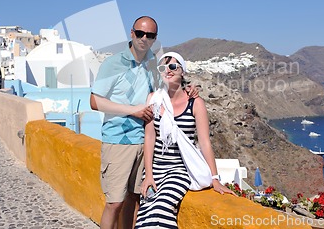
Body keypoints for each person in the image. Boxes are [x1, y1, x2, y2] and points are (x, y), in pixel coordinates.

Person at [90, 17, 197, 229]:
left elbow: (166, 88)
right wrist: (133, 111)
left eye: (150, 35)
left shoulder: (153, 63)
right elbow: (94, 101)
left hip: (147, 143)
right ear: (132, 33)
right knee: (115, 202)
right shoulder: (113, 64)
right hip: (119, 140)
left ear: (155, 39)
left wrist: (189, 88)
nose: (144, 38)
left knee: (135, 200)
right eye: (140, 33)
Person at [135, 52, 235, 229]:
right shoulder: (154, 99)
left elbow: (205, 142)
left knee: (161, 207)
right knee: (146, 211)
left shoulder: (196, 103)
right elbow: (149, 137)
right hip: (155, 168)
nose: (168, 70)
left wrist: (215, 178)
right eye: (163, 67)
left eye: (173, 66)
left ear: (183, 71)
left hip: (179, 170)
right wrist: (148, 174)